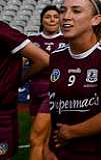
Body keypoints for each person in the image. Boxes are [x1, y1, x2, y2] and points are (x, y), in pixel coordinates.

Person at [44, 0, 101, 160]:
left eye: (76, 11)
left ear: (96, 19)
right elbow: (55, 107)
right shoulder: (56, 56)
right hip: (63, 152)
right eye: (63, 10)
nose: (65, 17)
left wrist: (71, 132)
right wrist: (49, 148)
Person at [0, 18, 50, 160]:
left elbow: (44, 59)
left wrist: (17, 79)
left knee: (39, 137)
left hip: (3, 111)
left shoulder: (3, 31)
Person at [28, 6, 66, 160]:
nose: (52, 20)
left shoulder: (66, 40)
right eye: (48, 16)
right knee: (45, 142)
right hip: (34, 91)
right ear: (42, 20)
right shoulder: (32, 41)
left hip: (53, 92)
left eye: (55, 17)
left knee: (35, 138)